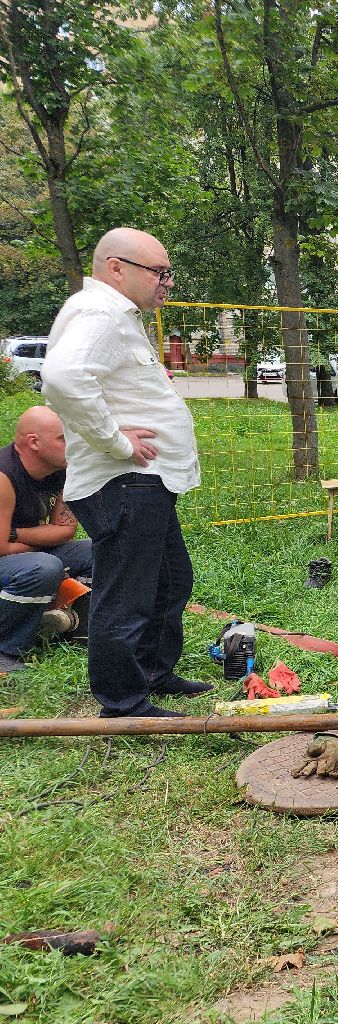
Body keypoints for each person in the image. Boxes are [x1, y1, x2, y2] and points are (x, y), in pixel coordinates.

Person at [42, 227, 211, 717]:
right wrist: (115, 440)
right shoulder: (100, 312)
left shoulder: (117, 316)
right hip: (124, 483)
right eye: (159, 272)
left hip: (145, 483)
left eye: (167, 272)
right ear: (116, 268)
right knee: (128, 592)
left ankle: (152, 672)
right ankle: (122, 701)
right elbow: (62, 377)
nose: (168, 282)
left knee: (170, 580)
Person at [0, 407, 94, 673]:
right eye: (63, 439)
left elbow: (64, 531)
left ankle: (75, 625)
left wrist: (14, 534)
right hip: (12, 560)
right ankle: (5, 649)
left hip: (21, 552)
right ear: (33, 442)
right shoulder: (3, 476)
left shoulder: (65, 469)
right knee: (43, 566)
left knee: (100, 550)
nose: (72, 445)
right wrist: (42, 542)